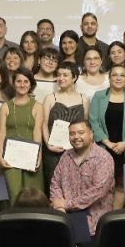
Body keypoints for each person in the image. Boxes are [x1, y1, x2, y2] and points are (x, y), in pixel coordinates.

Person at [50, 120, 116, 244]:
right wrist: (59, 207)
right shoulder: (66, 156)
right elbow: (55, 183)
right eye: (72, 133)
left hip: (93, 223)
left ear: (91, 134)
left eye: (81, 133)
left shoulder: (104, 159)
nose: (76, 137)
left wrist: (67, 204)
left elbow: (97, 191)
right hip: (65, 217)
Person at [90, 63, 125, 210]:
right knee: (102, 184)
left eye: (122, 75)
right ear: (109, 77)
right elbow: (93, 121)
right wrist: (107, 142)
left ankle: (114, 217)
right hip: (104, 148)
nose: (118, 78)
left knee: (121, 185)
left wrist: (124, 143)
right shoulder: (99, 97)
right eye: (115, 75)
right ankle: (100, 217)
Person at [0, 68, 45, 201]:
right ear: (13, 83)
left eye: (26, 81)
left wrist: (38, 157)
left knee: (33, 195)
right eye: (19, 81)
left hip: (31, 156)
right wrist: (0, 157)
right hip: (10, 157)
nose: (22, 85)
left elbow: (37, 133)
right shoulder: (5, 106)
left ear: (31, 84)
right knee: (14, 192)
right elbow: (1, 133)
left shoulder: (38, 107)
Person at [42, 61, 89, 192]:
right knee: (53, 187)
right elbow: (44, 125)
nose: (61, 78)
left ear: (74, 77)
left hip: (76, 152)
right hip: (53, 152)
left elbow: (85, 127)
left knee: (75, 188)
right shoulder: (50, 98)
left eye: (65, 75)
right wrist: (48, 145)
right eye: (58, 75)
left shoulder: (83, 99)